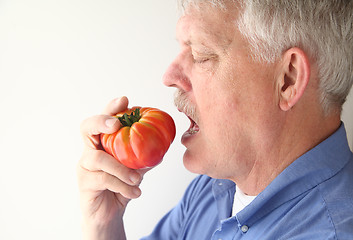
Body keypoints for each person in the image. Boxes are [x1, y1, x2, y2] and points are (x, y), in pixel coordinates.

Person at [78, 0, 353, 239]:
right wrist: (103, 224)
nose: (169, 76)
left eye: (201, 54)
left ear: (288, 80)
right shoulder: (213, 190)